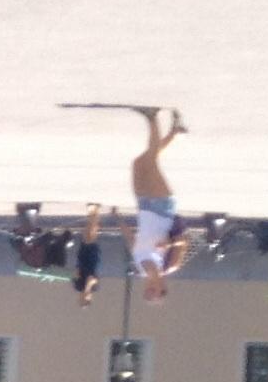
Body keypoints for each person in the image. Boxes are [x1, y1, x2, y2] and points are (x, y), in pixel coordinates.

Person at [122, 108, 191, 303]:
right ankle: (151, 117)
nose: (149, 288)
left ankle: (173, 132)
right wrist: (170, 244)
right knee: (151, 161)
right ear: (162, 287)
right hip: (162, 210)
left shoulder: (140, 267)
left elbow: (134, 241)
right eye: (154, 291)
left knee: (139, 163)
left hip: (144, 208)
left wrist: (119, 221)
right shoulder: (169, 265)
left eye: (147, 291)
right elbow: (184, 241)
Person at [71, 203, 105, 305]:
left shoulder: (78, 287)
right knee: (91, 238)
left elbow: (76, 273)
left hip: (82, 261)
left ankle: (93, 215)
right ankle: (94, 212)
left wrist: (78, 276)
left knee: (87, 236)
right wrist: (87, 290)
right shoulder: (94, 288)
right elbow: (91, 279)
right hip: (92, 262)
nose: (83, 296)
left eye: (81, 298)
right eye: (85, 299)